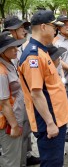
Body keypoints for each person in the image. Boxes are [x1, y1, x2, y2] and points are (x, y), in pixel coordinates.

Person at [18, 10, 68, 166]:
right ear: (43, 27)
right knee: (52, 163)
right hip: (49, 120)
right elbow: (36, 94)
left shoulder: (42, 50)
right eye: (53, 26)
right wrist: (50, 123)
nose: (55, 29)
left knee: (56, 161)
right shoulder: (33, 56)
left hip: (56, 117)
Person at [2, 16, 41, 166]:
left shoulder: (17, 50)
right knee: (12, 151)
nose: (24, 31)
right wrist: (12, 124)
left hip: (22, 103)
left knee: (25, 134)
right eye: (20, 28)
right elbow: (4, 100)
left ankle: (26, 156)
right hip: (11, 113)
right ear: (11, 31)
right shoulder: (5, 57)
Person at [0, 31, 25, 167]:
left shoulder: (8, 62)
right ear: (3, 50)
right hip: (8, 122)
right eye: (12, 47)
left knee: (14, 155)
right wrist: (14, 125)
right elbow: (3, 103)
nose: (16, 49)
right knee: (10, 159)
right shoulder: (2, 72)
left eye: (16, 46)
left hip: (14, 117)